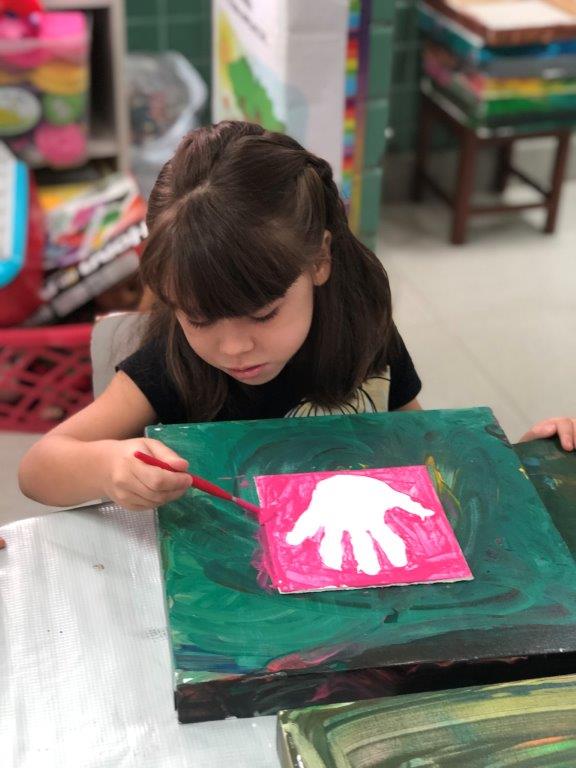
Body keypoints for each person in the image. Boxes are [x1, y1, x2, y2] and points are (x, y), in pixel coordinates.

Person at [18, 121, 423, 511]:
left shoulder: (361, 328)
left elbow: (423, 439)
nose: (233, 348)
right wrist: (108, 467)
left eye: (263, 315)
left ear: (319, 259)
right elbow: (36, 470)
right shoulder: (172, 365)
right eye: (198, 320)